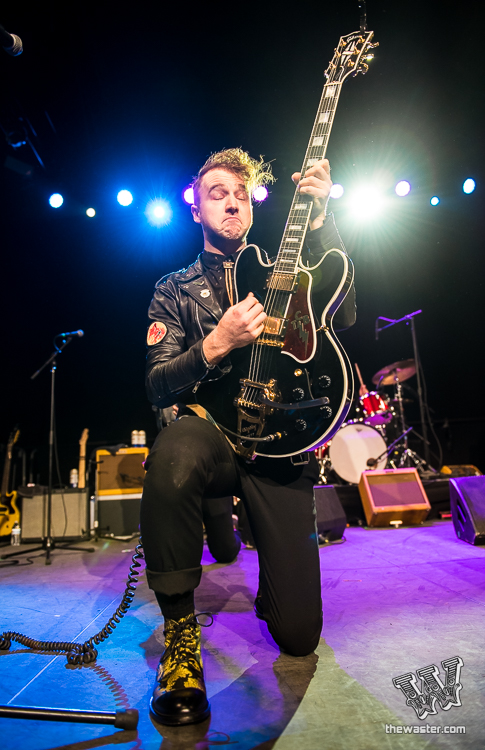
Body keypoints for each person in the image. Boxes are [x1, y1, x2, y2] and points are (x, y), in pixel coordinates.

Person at [141, 148, 356, 726]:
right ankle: (180, 640)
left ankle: (243, 536)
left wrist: (320, 217)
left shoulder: (289, 272)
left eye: (242, 194)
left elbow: (346, 314)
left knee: (298, 637)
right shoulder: (174, 289)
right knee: (174, 453)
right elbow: (157, 384)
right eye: (218, 194)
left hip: (279, 448)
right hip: (210, 438)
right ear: (196, 209)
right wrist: (217, 343)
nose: (232, 203)